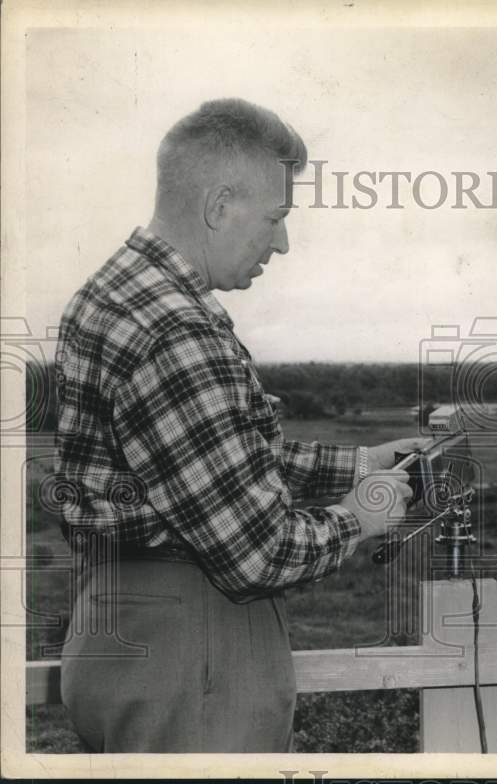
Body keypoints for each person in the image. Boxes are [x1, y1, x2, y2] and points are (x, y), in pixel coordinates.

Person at [54, 98, 421, 752]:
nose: (282, 243)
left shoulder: (114, 292)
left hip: (123, 630)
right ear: (220, 206)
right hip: (195, 657)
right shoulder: (178, 333)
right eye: (276, 219)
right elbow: (259, 554)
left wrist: (364, 463)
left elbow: (219, 463)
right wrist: (361, 516)